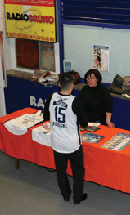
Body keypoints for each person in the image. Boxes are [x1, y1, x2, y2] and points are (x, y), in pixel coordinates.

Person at [43, 72, 88, 204]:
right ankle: (77, 196)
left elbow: (46, 116)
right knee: (78, 171)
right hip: (72, 144)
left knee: (61, 171)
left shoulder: (51, 97)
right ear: (72, 86)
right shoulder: (75, 102)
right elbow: (84, 123)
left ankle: (66, 194)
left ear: (59, 85)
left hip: (57, 142)